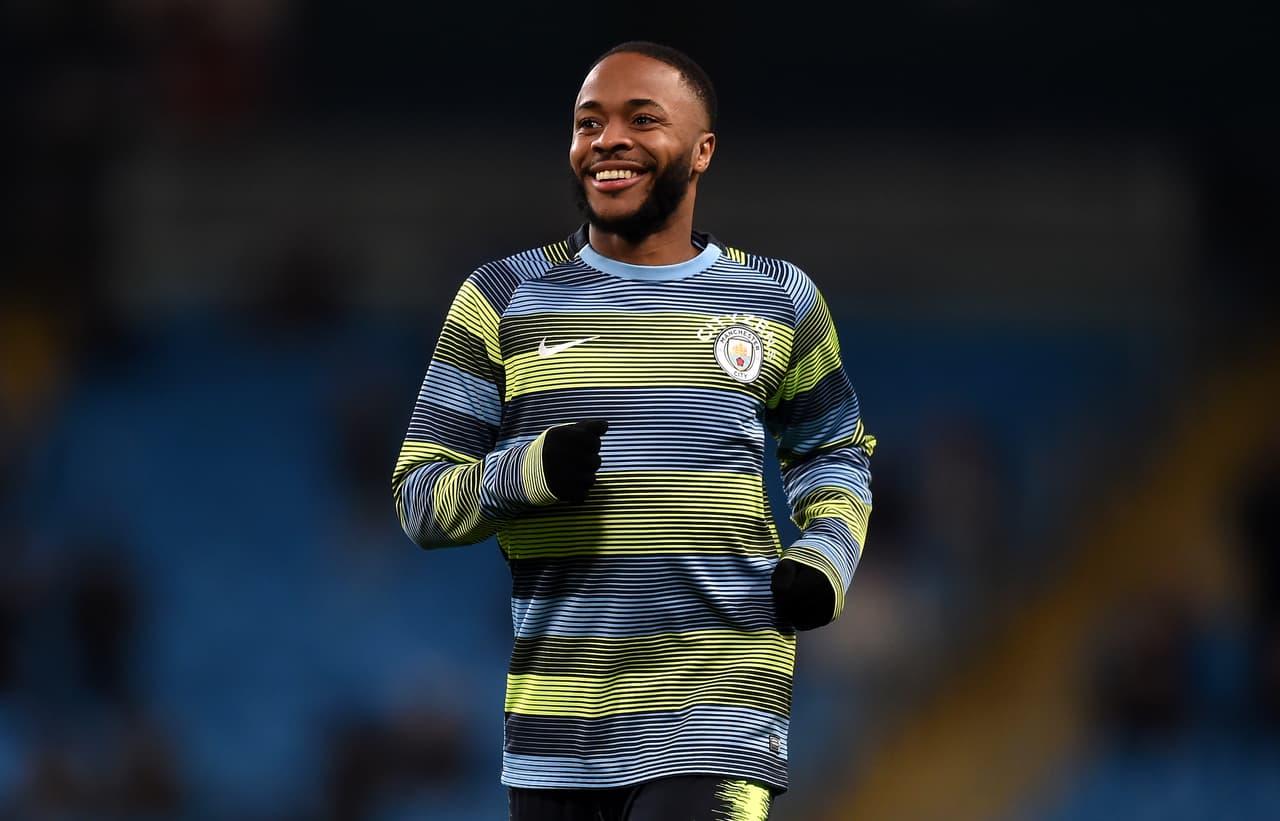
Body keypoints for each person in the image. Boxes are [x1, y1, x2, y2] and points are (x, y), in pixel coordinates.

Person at [392, 40, 875, 821]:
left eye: (641, 119)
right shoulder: (500, 298)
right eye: (589, 122)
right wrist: (527, 473)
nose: (607, 139)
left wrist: (823, 556)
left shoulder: (779, 298)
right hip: (556, 727)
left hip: (722, 709)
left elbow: (834, 450)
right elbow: (419, 498)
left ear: (702, 149)